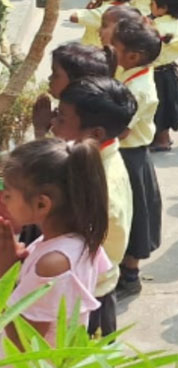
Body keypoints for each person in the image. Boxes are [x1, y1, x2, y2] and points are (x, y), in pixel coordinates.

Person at [0, 139, 111, 346]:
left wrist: (5, 276)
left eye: (8, 194)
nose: (3, 199)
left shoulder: (53, 263)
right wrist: (18, 266)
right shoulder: (78, 239)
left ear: (42, 204)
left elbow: (24, 343)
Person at [53, 77, 136, 336]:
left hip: (88, 295)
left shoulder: (100, 188)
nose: (53, 124)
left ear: (96, 133)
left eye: (61, 118)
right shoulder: (91, 157)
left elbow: (96, 252)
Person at [111, 17, 162, 299]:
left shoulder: (139, 89)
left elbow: (121, 130)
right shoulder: (130, 72)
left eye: (115, 47)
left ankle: (130, 275)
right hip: (126, 152)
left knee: (134, 214)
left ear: (133, 56)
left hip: (131, 155)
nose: (111, 50)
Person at [149, 0, 178, 152]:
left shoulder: (161, 27)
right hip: (167, 71)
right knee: (162, 107)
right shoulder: (171, 21)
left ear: (163, 8)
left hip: (159, 73)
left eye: (152, 3)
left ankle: (163, 140)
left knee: (160, 109)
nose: (149, 6)